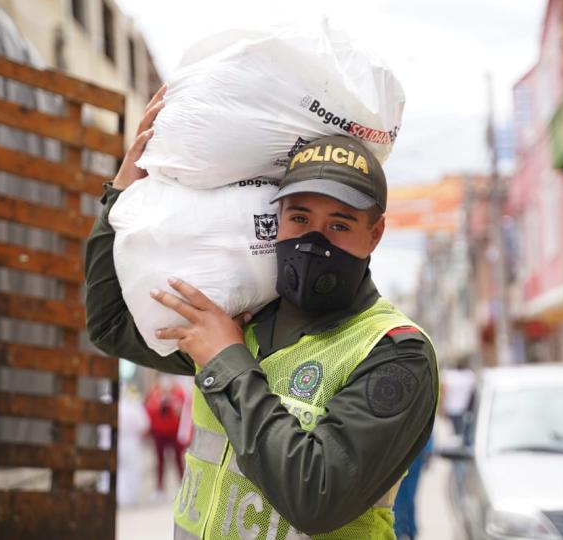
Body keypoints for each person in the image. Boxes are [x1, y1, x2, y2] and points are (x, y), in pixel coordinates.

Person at [85, 86, 439, 539]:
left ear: (375, 234)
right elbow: (110, 324)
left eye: (339, 225)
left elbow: (317, 497)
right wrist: (120, 196)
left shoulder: (395, 353)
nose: (314, 239)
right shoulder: (242, 319)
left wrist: (226, 363)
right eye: (299, 218)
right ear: (275, 222)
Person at [144, 375, 187, 496]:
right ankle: (159, 488)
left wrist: (174, 405)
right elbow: (149, 412)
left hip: (174, 432)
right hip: (160, 434)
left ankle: (182, 486)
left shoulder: (179, 394)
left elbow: (184, 412)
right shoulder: (154, 394)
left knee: (179, 460)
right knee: (160, 461)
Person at [393, 433, 434, 540]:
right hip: (399, 460)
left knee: (410, 498)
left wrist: (429, 451)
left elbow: (428, 430)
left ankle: (411, 530)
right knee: (398, 498)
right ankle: (397, 530)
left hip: (415, 460)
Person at [441, 358, 476, 436]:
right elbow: (473, 392)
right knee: (463, 433)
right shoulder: (469, 376)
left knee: (453, 434)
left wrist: (442, 408)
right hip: (464, 409)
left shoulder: (449, 376)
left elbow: (444, 392)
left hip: (451, 409)